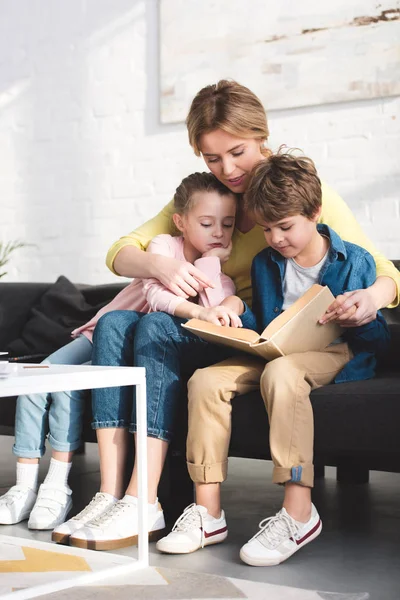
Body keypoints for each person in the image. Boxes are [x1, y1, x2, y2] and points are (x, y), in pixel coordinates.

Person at [57, 80, 399, 552]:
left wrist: (372, 298)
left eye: (236, 152)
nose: (228, 169)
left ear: (262, 136)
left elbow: (379, 269)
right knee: (122, 325)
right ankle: (133, 498)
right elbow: (120, 251)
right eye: (212, 158)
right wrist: (162, 264)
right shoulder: (209, 197)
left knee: (159, 327)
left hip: (275, 334)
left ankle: (151, 498)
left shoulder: (296, 194)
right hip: (226, 323)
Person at [155, 150, 390, 565]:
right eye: (267, 229)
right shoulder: (266, 262)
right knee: (205, 381)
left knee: (281, 373)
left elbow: (377, 342)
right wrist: (232, 307)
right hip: (276, 349)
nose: (277, 238)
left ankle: (299, 511)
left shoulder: (354, 261)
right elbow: (263, 320)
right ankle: (207, 512)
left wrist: (361, 314)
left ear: (314, 212)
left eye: (285, 227)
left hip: (334, 351)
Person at [0, 172, 238, 534]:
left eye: (228, 224)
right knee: (39, 378)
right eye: (207, 223)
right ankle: (25, 484)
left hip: (127, 346)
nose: (218, 232)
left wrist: (210, 262)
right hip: (100, 332)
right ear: (181, 221)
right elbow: (159, 297)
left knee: (67, 384)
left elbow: (211, 306)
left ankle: (57, 485)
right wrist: (200, 295)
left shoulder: (220, 275)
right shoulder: (162, 246)